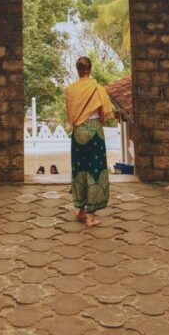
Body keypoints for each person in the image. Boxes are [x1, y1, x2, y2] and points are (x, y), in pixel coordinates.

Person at [65, 56, 113, 227]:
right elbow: (104, 113)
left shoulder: (70, 90)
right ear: (90, 69)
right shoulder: (98, 89)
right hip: (94, 134)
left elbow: (70, 114)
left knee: (80, 169)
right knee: (95, 169)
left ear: (77, 70)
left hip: (78, 133)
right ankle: (91, 216)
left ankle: (80, 210)